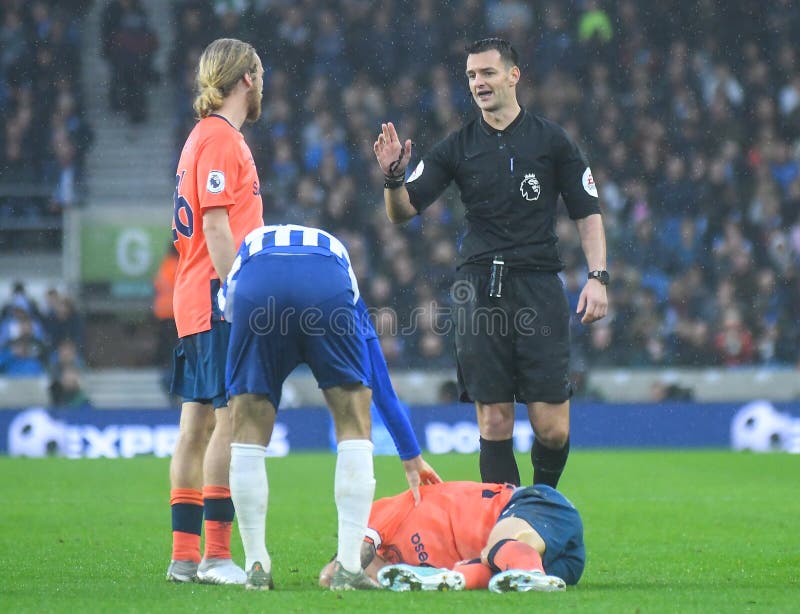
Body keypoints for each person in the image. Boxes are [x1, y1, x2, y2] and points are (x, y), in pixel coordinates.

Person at [373, 37, 609, 488]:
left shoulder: (552, 141)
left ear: (513, 76)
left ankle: (540, 503)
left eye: (487, 73)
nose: (478, 83)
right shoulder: (456, 146)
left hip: (539, 288)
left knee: (553, 429)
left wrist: (598, 276)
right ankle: (508, 527)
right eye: (471, 76)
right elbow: (402, 211)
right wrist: (392, 178)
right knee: (496, 421)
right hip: (480, 290)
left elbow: (587, 210)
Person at [221, 223, 440, 591]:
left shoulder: (247, 250)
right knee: (352, 415)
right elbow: (379, 380)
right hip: (325, 283)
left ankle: (256, 565)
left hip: (257, 286)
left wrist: (233, 396)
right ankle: (349, 567)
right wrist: (410, 453)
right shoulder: (338, 258)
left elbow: (226, 322)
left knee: (248, 429)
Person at [167, 38, 265, 585]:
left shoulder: (198, 137)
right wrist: (237, 290)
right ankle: (217, 557)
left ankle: (184, 558)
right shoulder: (223, 140)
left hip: (192, 292)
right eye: (261, 71)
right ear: (246, 78)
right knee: (229, 421)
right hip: (216, 294)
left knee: (195, 426)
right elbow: (216, 226)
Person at [318, 481, 584, 593]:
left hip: (534, 506)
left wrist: (336, 571)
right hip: (560, 567)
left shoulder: (376, 515)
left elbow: (343, 564)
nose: (379, 579)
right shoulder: (408, 571)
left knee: (498, 547)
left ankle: (530, 572)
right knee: (477, 570)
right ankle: (525, 575)